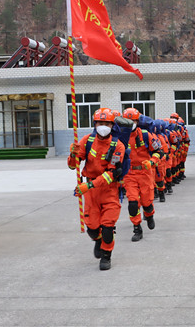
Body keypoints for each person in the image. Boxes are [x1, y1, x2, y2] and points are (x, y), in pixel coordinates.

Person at [68, 107, 126, 270]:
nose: (103, 126)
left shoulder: (118, 146)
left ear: (112, 125)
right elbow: (73, 166)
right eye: (100, 123)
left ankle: (106, 256)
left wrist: (89, 185)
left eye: (106, 123)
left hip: (109, 190)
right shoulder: (87, 140)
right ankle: (98, 240)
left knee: (107, 226)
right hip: (90, 192)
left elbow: (111, 174)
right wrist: (72, 155)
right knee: (92, 228)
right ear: (95, 124)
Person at [117, 108, 162, 242]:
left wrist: (152, 161)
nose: (131, 123)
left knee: (147, 202)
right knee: (132, 202)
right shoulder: (120, 137)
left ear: (138, 121)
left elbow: (159, 151)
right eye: (128, 121)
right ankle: (137, 228)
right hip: (129, 174)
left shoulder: (146, 135)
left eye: (134, 121)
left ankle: (149, 214)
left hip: (145, 172)